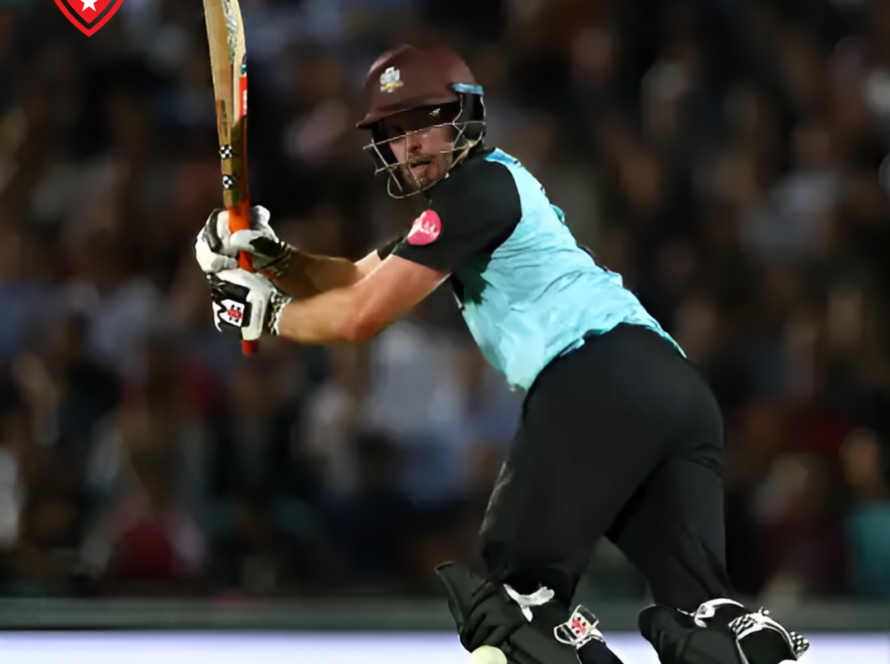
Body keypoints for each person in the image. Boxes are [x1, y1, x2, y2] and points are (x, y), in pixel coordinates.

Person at [195, 43, 810, 664]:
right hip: (672, 390)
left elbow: (360, 317)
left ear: (463, 115)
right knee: (702, 614)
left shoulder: (475, 189)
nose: (409, 146)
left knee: (516, 605)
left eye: (422, 123)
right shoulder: (482, 194)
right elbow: (355, 278)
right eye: (393, 132)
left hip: (596, 379)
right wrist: (272, 256)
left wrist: (266, 313)